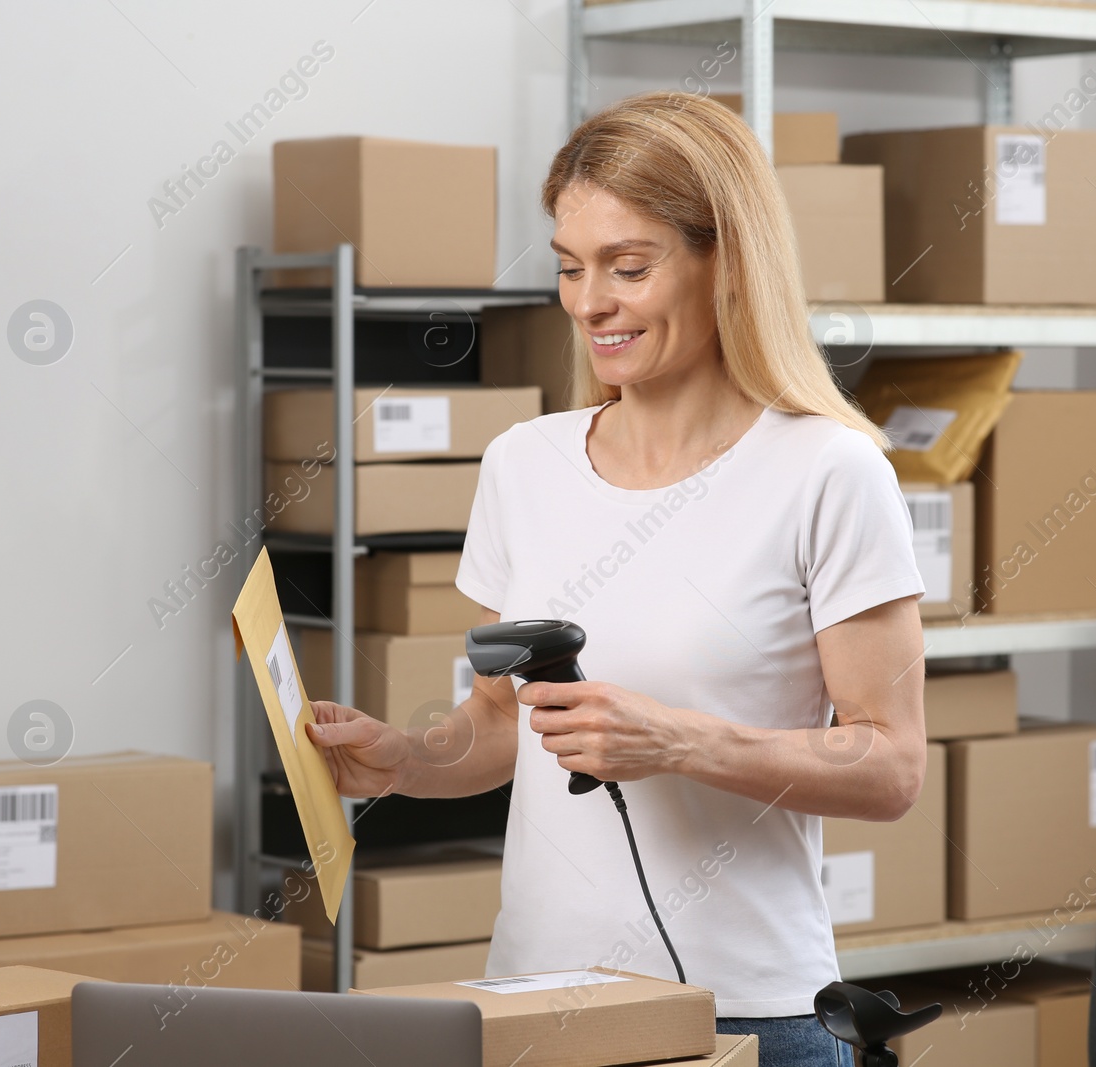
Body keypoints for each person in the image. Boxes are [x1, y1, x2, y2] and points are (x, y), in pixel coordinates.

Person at [309, 90, 927, 1067]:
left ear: (726, 261)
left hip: (748, 1009)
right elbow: (502, 725)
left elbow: (891, 766)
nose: (589, 300)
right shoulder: (523, 462)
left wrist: (678, 739)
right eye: (568, 266)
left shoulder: (828, 472)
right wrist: (408, 760)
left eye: (628, 267)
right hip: (533, 1001)